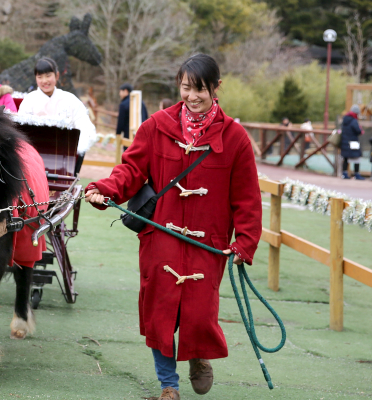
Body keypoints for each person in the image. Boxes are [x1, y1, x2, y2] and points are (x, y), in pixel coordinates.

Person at [84, 54, 261, 400]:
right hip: (160, 235)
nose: (192, 96)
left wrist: (246, 242)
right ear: (178, 85)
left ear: (216, 88)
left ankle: (198, 356)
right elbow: (131, 171)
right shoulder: (156, 126)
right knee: (160, 311)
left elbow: (248, 197)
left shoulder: (236, 138)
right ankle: (168, 386)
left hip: (207, 241)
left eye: (200, 89)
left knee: (198, 312)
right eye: (186, 88)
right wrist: (105, 189)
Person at [17, 57, 97, 174]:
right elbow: (21, 131)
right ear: (36, 79)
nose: (45, 80)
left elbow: (85, 126)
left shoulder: (70, 99)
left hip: (65, 157)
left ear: (57, 75)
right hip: (34, 156)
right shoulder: (29, 100)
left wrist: (77, 148)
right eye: (40, 77)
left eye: (48, 75)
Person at [117, 83, 149, 149]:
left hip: (128, 133)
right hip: (142, 133)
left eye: (120, 91)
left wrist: (118, 132)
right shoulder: (141, 102)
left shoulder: (123, 104)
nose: (119, 94)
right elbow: (146, 115)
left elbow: (121, 121)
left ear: (125, 91)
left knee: (128, 152)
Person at [340, 105, 365, 180]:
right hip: (353, 141)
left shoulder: (345, 119)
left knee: (346, 158)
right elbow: (357, 130)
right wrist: (361, 131)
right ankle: (356, 174)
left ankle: (344, 173)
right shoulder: (354, 120)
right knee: (356, 157)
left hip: (345, 141)